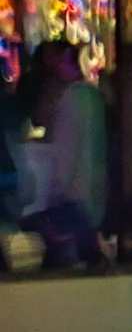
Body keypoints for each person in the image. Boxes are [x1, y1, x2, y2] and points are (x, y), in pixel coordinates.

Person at [15, 40, 105, 269]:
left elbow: (65, 166)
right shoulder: (88, 98)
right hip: (85, 207)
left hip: (74, 207)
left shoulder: (72, 101)